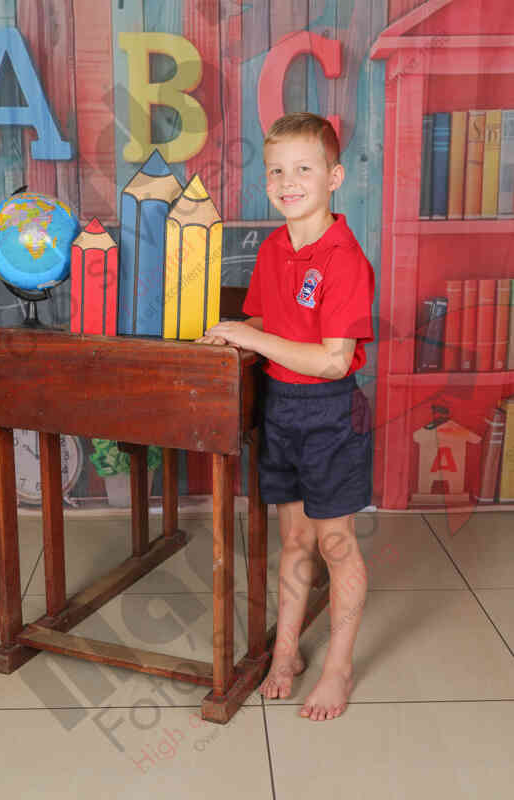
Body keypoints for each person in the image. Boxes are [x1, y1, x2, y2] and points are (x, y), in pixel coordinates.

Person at [198, 112, 375, 722]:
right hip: (280, 411)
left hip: (330, 414)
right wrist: (229, 332)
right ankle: (286, 653)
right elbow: (267, 324)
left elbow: (333, 359)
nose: (287, 182)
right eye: (276, 171)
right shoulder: (274, 249)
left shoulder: (345, 259)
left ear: (334, 178)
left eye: (303, 169)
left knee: (335, 543)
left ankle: (338, 668)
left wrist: (256, 340)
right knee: (295, 539)